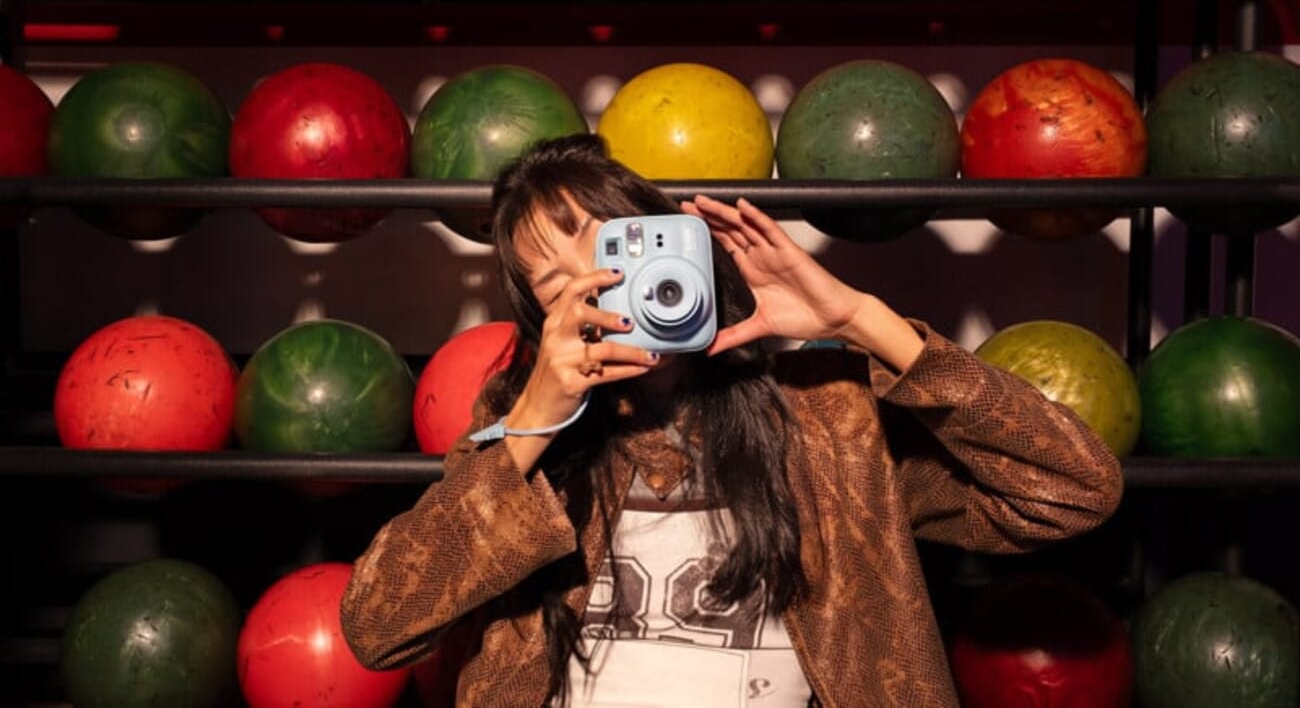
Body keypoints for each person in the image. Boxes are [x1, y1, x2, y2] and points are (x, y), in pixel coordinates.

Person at [339, 134, 1124, 707]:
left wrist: (860, 319)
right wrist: (532, 428)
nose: (598, 285)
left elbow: (1073, 486)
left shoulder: (827, 417)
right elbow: (377, 624)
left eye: (609, 244)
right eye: (553, 281)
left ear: (674, 246)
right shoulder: (520, 434)